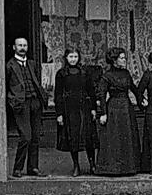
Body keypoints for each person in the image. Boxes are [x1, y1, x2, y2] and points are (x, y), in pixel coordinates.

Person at [95, 47, 142, 176]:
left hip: (126, 108)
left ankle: (129, 167)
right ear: (114, 60)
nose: (124, 60)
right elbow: (101, 95)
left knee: (127, 136)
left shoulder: (126, 73)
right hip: (113, 109)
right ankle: (113, 168)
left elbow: (133, 88)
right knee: (115, 138)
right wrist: (103, 113)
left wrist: (141, 100)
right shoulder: (107, 76)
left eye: (124, 58)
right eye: (121, 58)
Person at [53, 46, 98, 176]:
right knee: (73, 138)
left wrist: (94, 109)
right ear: (66, 58)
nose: (73, 59)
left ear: (79, 58)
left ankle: (92, 164)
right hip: (69, 109)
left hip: (84, 108)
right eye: (71, 57)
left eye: (75, 57)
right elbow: (58, 94)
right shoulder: (61, 74)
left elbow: (91, 91)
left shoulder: (84, 72)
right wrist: (59, 114)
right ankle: (76, 166)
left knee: (88, 137)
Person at [6, 36, 47, 178]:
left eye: (25, 45)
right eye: (20, 45)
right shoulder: (10, 65)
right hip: (21, 104)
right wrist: (12, 100)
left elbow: (36, 81)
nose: (22, 48)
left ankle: (33, 168)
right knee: (26, 137)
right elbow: (5, 85)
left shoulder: (32, 64)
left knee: (35, 137)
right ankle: (17, 168)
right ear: (14, 47)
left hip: (35, 102)